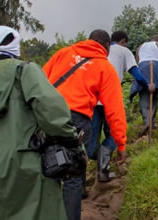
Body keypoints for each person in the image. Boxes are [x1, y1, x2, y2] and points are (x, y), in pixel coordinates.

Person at [0, 26, 79, 220]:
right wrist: (73, 143)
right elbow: (52, 111)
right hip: (28, 163)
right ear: (13, 44)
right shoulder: (25, 71)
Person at [43, 29, 127, 220]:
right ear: (106, 47)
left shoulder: (62, 53)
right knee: (73, 174)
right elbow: (115, 111)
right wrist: (120, 144)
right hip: (77, 119)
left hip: (48, 115)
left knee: (49, 168)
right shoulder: (105, 68)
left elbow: (39, 81)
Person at [90, 30, 155, 182]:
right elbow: (137, 75)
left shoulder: (98, 50)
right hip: (110, 98)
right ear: (123, 41)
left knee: (91, 139)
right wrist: (148, 86)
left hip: (91, 98)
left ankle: (81, 181)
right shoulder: (124, 51)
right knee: (113, 134)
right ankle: (103, 169)